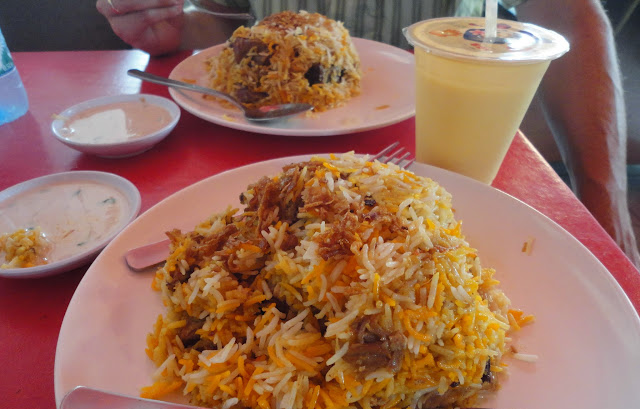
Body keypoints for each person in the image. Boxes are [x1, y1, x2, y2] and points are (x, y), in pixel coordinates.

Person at [96, 0, 640, 268]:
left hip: (434, 133)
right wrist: (173, 26)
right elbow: (228, 20)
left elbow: (565, 10)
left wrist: (604, 195)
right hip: (240, 140)